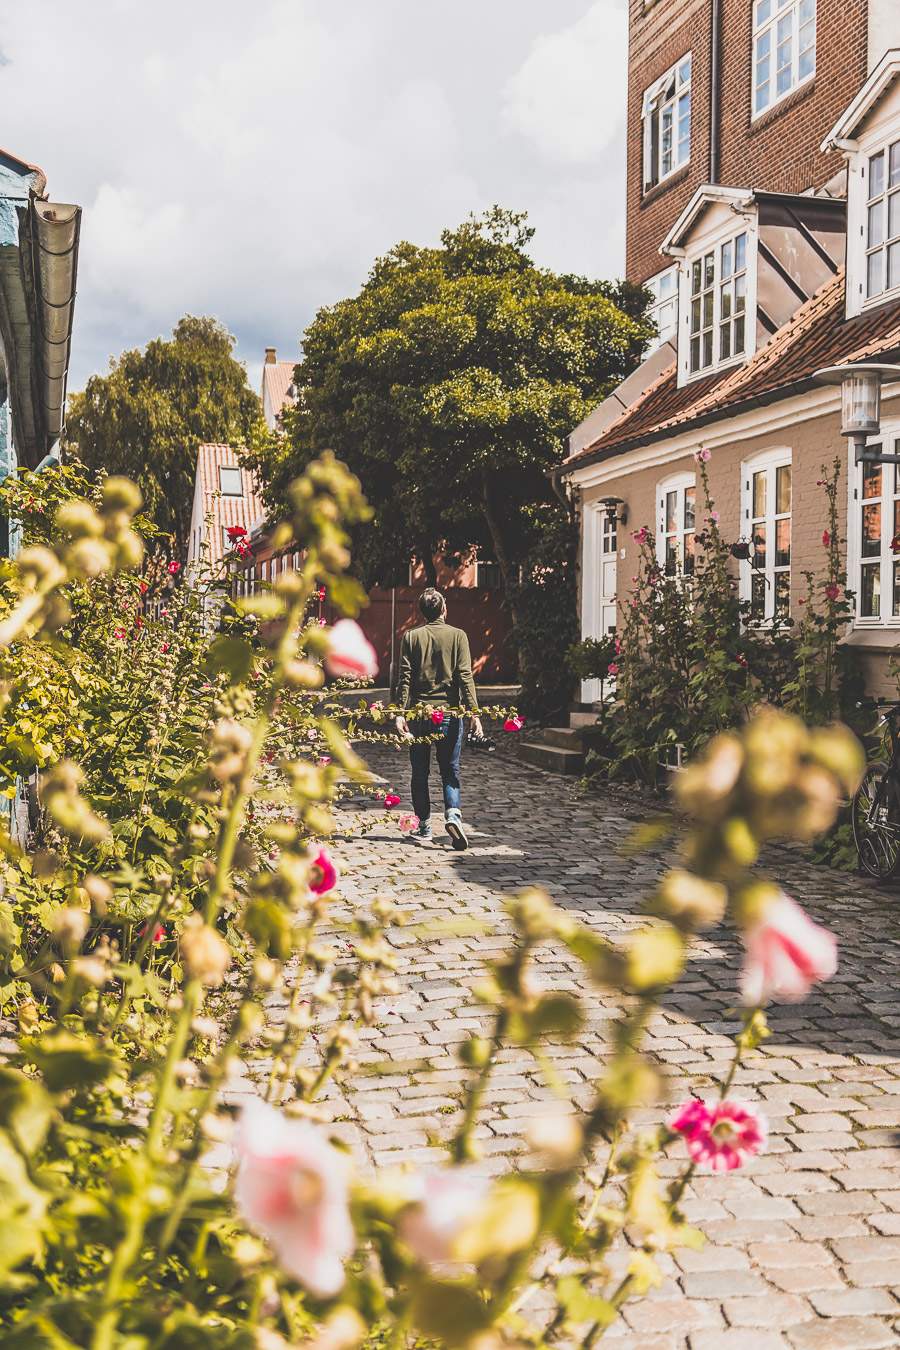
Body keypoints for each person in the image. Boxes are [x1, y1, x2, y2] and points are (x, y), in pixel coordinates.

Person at [394, 587, 482, 850]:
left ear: (421, 612)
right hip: (450, 715)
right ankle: (453, 814)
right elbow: (465, 676)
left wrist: (399, 712)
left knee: (420, 773)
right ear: (444, 609)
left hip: (419, 715)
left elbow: (405, 679)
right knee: (450, 770)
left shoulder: (411, 637)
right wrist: (474, 713)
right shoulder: (458, 636)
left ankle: (423, 827)